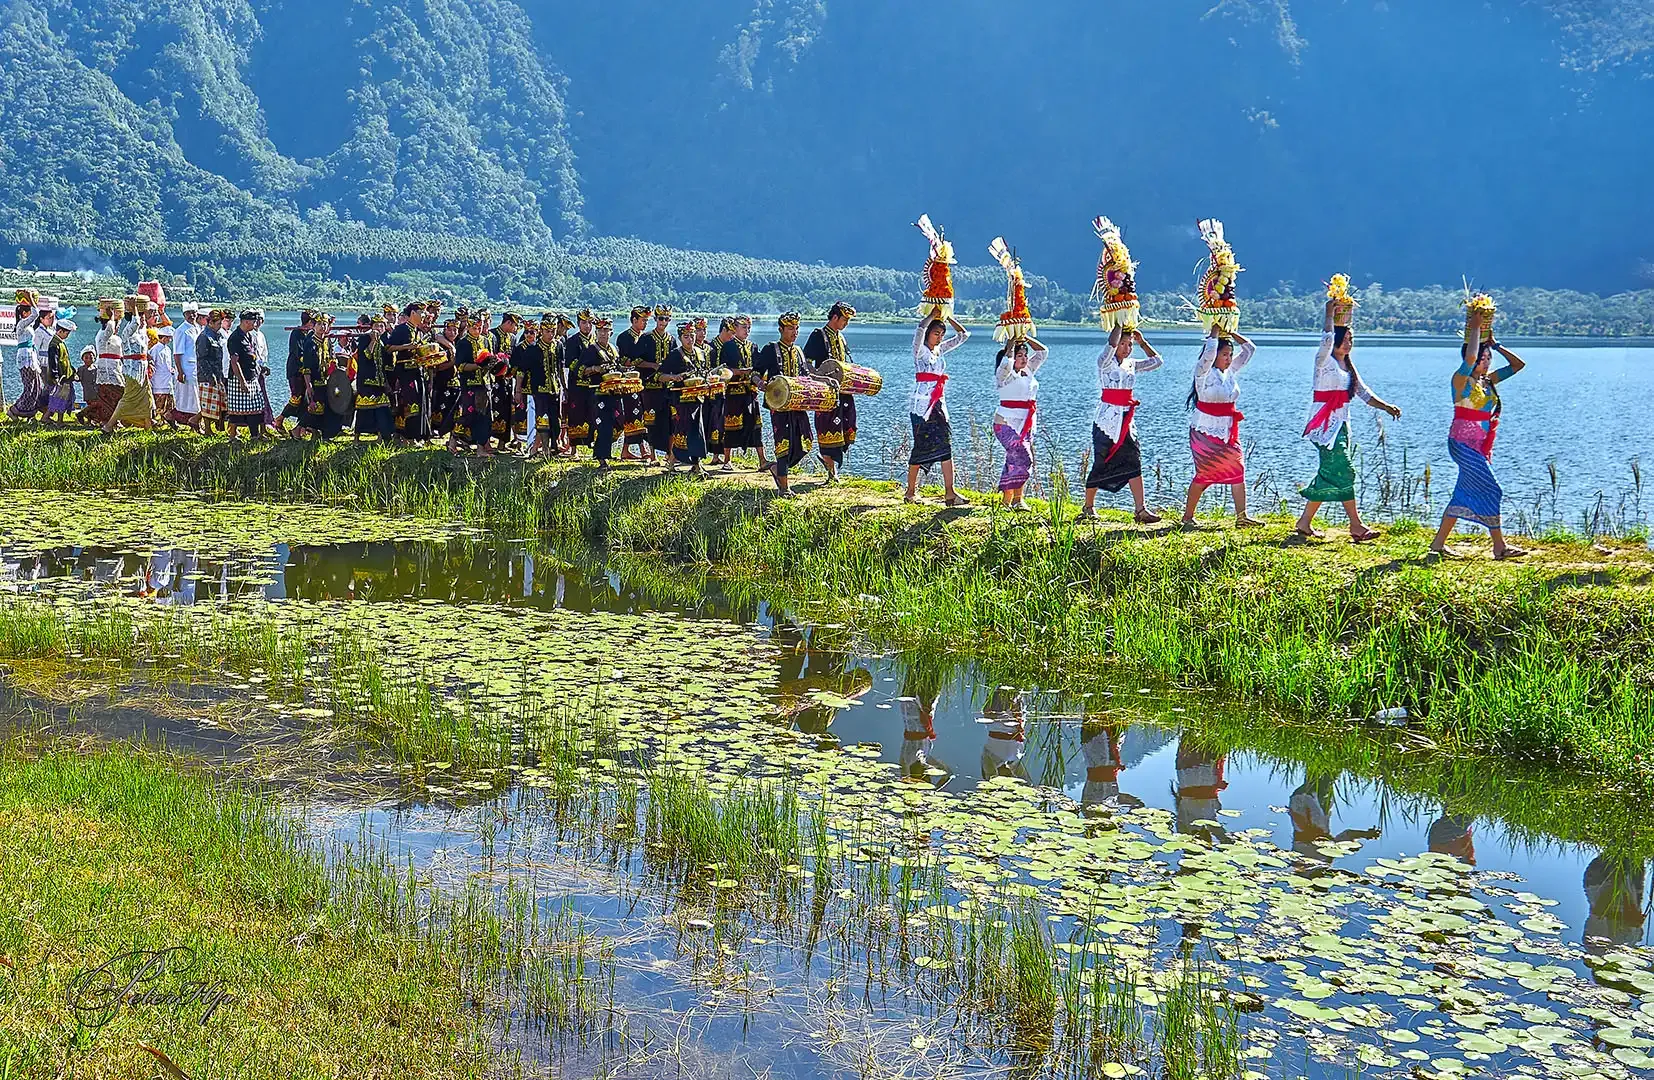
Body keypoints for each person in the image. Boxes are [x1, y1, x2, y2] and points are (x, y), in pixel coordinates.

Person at [1296, 297, 1403, 541]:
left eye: (1350, 341)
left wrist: (1386, 407)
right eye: (1343, 340)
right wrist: (1328, 314)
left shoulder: (1348, 368)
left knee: (1329, 472)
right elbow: (1325, 339)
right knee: (1345, 470)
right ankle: (1356, 525)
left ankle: (1304, 522)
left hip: (1341, 424)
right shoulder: (1324, 362)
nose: (1347, 344)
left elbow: (1364, 393)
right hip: (1324, 425)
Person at [1430, 304, 1528, 560]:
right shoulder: (1460, 381)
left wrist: (1495, 345)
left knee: (1462, 492)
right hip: (1461, 444)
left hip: (1479, 446)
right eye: (1482, 359)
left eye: (1488, 360)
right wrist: (1475, 329)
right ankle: (1499, 547)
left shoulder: (1489, 382)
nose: (1484, 363)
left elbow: (1518, 365)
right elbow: (1471, 358)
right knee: (1492, 488)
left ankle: (1438, 544)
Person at [1081, 327, 1165, 523]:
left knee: (1134, 459)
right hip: (1106, 419)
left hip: (1126, 419)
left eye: (1130, 345)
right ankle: (1088, 507)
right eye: (1123, 344)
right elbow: (1110, 346)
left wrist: (1142, 342)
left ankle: (1140, 509)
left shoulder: (1131, 364)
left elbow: (1157, 362)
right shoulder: (1105, 362)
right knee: (1101, 461)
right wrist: (1119, 323)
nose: (1127, 348)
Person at [1181, 327, 1260, 529]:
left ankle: (1242, 517)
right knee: (1204, 474)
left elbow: (1250, 349)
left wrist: (1230, 331)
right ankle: (1187, 517)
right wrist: (1214, 333)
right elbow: (1208, 354)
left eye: (1230, 355)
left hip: (1227, 431)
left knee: (1238, 470)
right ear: (1214, 355)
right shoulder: (1203, 372)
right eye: (1224, 354)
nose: (1228, 358)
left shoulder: (1230, 371)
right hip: (1204, 431)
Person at [753, 312, 820, 498]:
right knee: (783, 444)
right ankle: (784, 487)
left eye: (797, 328)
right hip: (779, 406)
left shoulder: (799, 351)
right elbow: (755, 373)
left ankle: (776, 469)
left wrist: (823, 381)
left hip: (798, 405)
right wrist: (761, 384)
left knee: (806, 442)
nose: (795, 332)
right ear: (781, 329)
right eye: (790, 328)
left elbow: (807, 376)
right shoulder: (770, 349)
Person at [905, 313, 970, 504]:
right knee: (920, 446)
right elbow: (919, 329)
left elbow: (963, 335)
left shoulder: (939, 351)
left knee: (946, 446)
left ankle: (950, 492)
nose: (939, 337)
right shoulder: (920, 352)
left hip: (938, 405)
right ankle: (910, 492)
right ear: (928, 334)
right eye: (936, 333)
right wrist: (932, 315)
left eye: (942, 334)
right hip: (922, 405)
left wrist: (947, 316)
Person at [992, 334, 1048, 510]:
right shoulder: (1004, 375)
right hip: (1006, 422)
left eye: (1025, 355)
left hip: (1027, 423)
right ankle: (1013, 499)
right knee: (1024, 457)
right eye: (1020, 355)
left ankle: (1013, 501)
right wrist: (1011, 343)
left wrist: (1025, 337)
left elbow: (1042, 352)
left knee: (1015, 459)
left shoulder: (1028, 370)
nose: (1024, 358)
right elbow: (1007, 360)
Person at [805, 302, 858, 481]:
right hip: (826, 392)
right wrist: (821, 378)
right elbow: (807, 364)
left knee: (846, 425)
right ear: (834, 317)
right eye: (844, 320)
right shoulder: (818, 335)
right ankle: (831, 472)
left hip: (844, 391)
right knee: (828, 428)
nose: (846, 324)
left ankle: (831, 467)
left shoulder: (841, 338)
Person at [659, 320, 708, 476]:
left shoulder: (701, 353)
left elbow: (705, 373)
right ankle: (672, 463)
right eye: (686, 336)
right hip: (681, 400)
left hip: (698, 398)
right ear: (680, 338)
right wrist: (675, 377)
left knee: (698, 432)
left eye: (692, 335)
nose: (690, 339)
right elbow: (660, 376)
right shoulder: (675, 355)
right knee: (682, 431)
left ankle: (696, 464)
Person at [720, 315, 768, 470]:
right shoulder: (727, 346)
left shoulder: (753, 346)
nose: (747, 331)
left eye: (749, 328)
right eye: (744, 327)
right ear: (735, 328)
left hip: (750, 393)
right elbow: (723, 370)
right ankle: (727, 460)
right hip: (733, 393)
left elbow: (759, 367)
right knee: (731, 426)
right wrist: (742, 371)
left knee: (756, 425)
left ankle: (762, 460)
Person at [583, 316, 624, 469]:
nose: (603, 334)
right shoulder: (591, 350)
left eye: (606, 331)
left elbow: (618, 368)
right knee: (603, 424)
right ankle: (601, 458)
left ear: (611, 333)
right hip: (598, 392)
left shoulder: (614, 349)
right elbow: (579, 370)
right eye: (600, 331)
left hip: (614, 392)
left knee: (617, 423)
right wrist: (595, 369)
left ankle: (607, 452)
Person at [384, 302, 428, 442]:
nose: (423, 316)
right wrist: (406, 346)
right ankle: (407, 437)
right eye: (421, 313)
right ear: (413, 313)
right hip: (404, 371)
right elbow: (389, 348)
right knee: (411, 403)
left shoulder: (418, 330)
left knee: (421, 401)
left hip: (418, 370)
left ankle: (419, 436)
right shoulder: (401, 329)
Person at [104, 322, 156, 434]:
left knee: (147, 398)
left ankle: (148, 427)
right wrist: (134, 308)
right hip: (132, 371)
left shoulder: (141, 333)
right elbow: (135, 322)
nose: (142, 319)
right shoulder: (127, 333)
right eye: (140, 316)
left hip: (142, 371)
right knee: (128, 399)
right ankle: (108, 425)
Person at [224, 310, 268, 440]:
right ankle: (232, 436)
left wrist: (261, 368)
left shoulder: (250, 336)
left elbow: (253, 356)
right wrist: (242, 382)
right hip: (239, 377)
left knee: (256, 407)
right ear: (246, 321)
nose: (256, 324)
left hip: (252, 375)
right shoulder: (235, 338)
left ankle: (255, 435)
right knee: (237, 409)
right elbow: (234, 362)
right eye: (254, 321)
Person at [616, 306, 651, 459]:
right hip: (629, 383)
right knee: (632, 414)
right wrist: (644, 363)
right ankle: (635, 449)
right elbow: (625, 362)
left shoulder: (646, 337)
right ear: (634, 320)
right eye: (643, 320)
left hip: (645, 382)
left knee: (643, 414)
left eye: (647, 321)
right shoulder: (624, 337)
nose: (645, 323)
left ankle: (638, 448)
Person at [353, 313, 394, 439]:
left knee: (382, 409)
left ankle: (381, 436)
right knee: (363, 409)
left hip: (380, 381)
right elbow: (365, 356)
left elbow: (388, 361)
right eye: (377, 325)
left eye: (382, 326)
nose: (379, 328)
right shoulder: (365, 338)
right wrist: (373, 341)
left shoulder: (385, 339)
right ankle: (357, 437)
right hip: (366, 380)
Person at [278, 310, 317, 436]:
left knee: (306, 398)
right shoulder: (297, 333)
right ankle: (280, 419)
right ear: (310, 322)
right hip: (296, 370)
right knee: (297, 396)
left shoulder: (310, 333)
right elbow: (298, 352)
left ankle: (302, 427)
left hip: (306, 371)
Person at [643, 306, 675, 463]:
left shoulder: (672, 340)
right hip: (650, 387)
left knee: (669, 422)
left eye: (667, 319)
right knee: (651, 421)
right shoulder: (646, 338)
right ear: (655, 319)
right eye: (661, 318)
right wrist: (653, 365)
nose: (664, 322)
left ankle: (669, 454)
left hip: (667, 387)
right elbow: (637, 361)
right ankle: (652, 454)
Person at [564, 309, 597, 451]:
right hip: (577, 385)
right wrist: (588, 370)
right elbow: (571, 363)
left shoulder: (596, 340)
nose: (587, 326)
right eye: (584, 323)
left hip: (594, 385)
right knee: (576, 415)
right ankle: (573, 449)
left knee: (593, 414)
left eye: (590, 323)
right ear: (578, 324)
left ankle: (593, 445)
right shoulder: (572, 341)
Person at [703, 317, 733, 463]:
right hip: (711, 390)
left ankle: (719, 456)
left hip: (726, 390)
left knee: (723, 423)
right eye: (731, 332)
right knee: (712, 421)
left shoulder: (730, 346)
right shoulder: (711, 347)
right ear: (723, 330)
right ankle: (708, 455)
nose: (733, 336)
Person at [195, 309, 227, 432]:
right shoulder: (204, 337)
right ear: (211, 323)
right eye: (218, 323)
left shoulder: (217, 336)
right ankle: (208, 429)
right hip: (206, 375)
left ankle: (216, 427)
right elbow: (202, 359)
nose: (220, 326)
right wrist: (210, 376)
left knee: (219, 401)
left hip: (217, 373)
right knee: (208, 404)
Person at [41, 318, 76, 424]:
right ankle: (47, 417)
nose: (67, 336)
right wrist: (55, 376)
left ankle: (60, 420)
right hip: (60, 377)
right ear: (60, 331)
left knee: (63, 398)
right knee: (58, 398)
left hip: (64, 376)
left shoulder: (60, 342)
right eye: (67, 333)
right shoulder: (54, 344)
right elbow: (53, 361)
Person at [170, 319, 201, 430]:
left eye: (194, 313)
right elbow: (177, 353)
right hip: (186, 367)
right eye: (189, 313)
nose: (192, 316)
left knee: (194, 397)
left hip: (195, 366)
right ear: (184, 315)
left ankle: (171, 416)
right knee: (188, 397)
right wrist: (180, 371)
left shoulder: (197, 327)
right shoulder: (181, 330)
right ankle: (191, 422)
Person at [147, 327, 179, 428]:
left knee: (169, 402)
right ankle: (159, 420)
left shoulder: (168, 349)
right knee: (159, 402)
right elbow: (152, 364)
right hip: (158, 380)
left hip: (167, 379)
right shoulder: (155, 349)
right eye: (169, 338)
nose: (170, 340)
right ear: (164, 338)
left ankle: (168, 419)